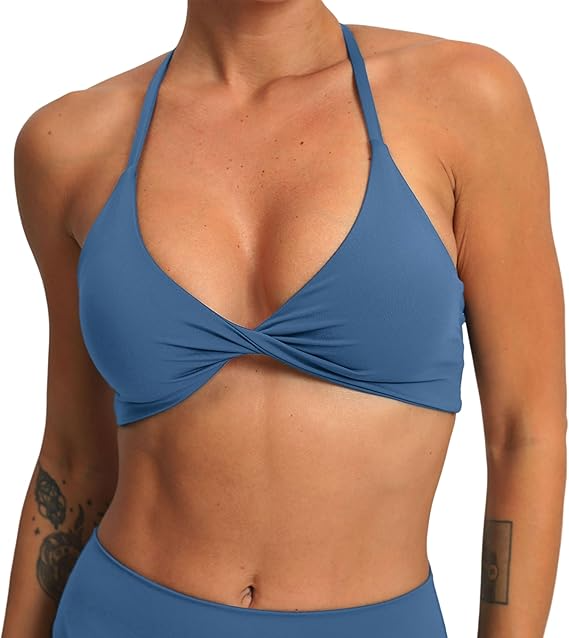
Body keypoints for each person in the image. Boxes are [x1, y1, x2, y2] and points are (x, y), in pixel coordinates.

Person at [3, 1, 566, 636]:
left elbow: (525, 433)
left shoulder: (465, 97)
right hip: (118, 615)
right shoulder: (68, 144)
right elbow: (73, 457)